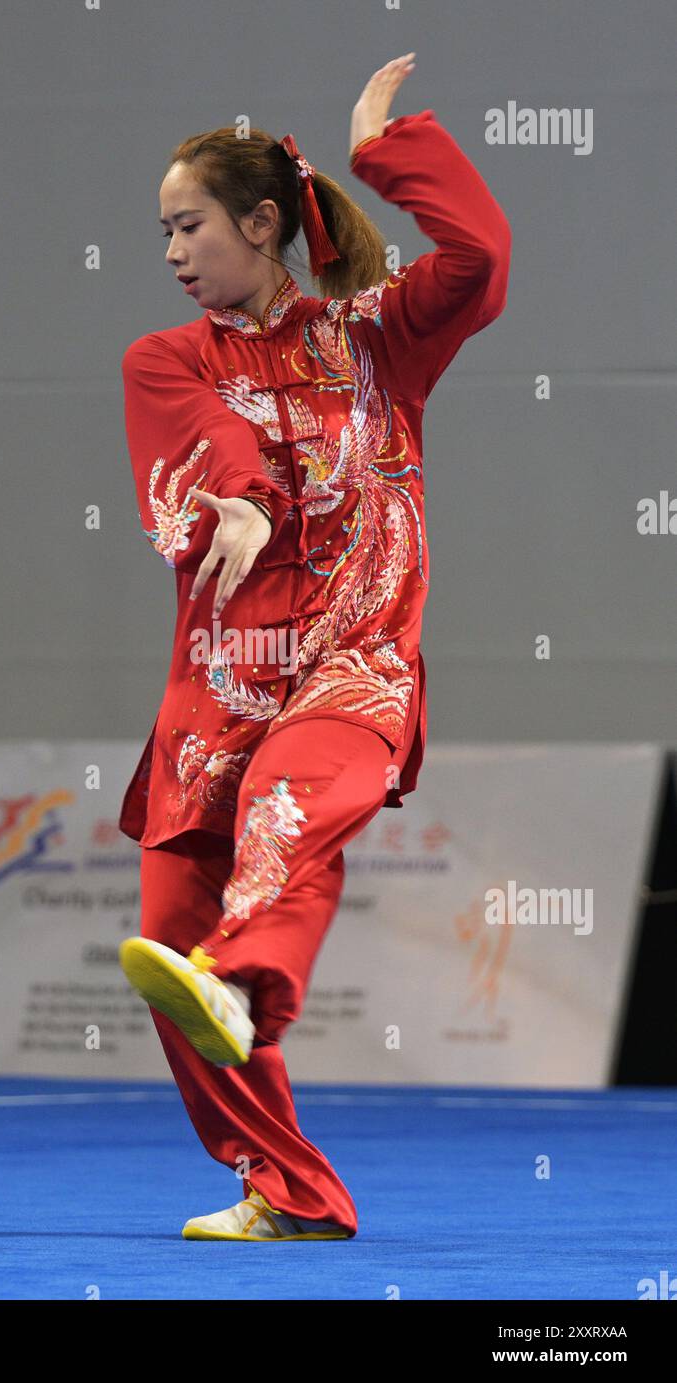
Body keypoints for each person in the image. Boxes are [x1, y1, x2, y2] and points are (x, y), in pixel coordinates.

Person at [117, 53, 511, 1240]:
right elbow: (193, 445)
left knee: (288, 811)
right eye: (161, 232)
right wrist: (232, 499)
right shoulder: (166, 354)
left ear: (261, 222)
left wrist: (390, 153)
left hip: (355, 663)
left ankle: (244, 977)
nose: (174, 251)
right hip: (218, 691)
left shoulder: (379, 340)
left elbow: (479, 260)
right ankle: (289, 1192)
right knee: (165, 951)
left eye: (190, 225)